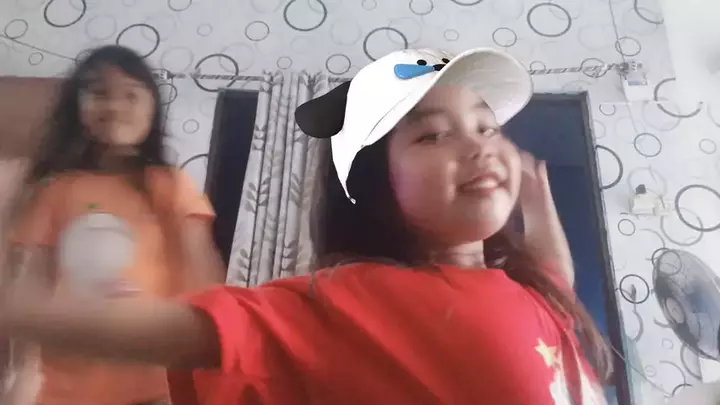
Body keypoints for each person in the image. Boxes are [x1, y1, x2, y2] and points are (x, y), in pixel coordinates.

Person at [0, 47, 611, 405]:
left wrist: (539, 202)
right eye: (432, 135)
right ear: (372, 185)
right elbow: (184, 330)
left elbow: (556, 274)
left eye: (486, 126)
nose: (478, 145)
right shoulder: (365, 303)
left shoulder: (529, 289)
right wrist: (17, 315)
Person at [0, 45, 225, 405]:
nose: (115, 107)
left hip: (153, 382)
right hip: (64, 387)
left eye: (131, 95)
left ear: (152, 109)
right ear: (77, 107)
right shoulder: (54, 190)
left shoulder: (171, 185)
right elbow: (32, 286)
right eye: (100, 93)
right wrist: (23, 373)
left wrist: (201, 371)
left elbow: (204, 281)